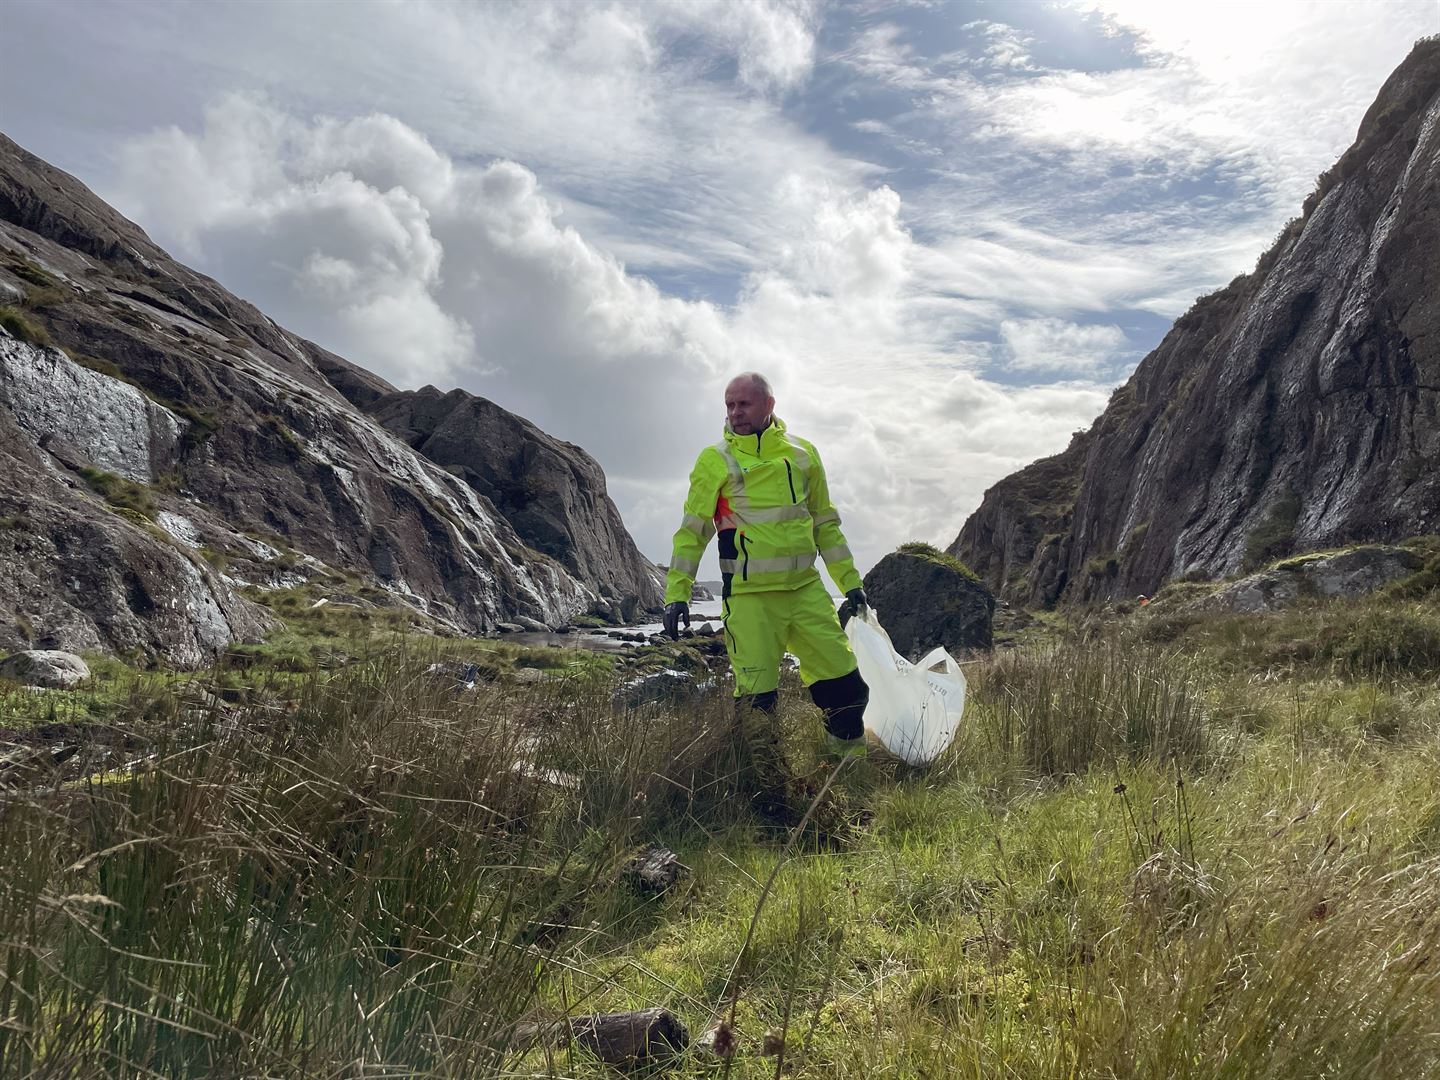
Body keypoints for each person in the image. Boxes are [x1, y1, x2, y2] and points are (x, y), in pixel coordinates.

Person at [663, 371, 871, 793]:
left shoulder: (804, 454)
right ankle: (767, 794)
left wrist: (849, 584)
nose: (735, 413)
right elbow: (693, 531)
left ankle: (847, 778)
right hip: (749, 600)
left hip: (806, 592)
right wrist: (677, 593)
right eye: (729, 405)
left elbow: (826, 525)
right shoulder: (714, 459)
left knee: (847, 690)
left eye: (744, 404)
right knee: (758, 707)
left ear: (769, 406)